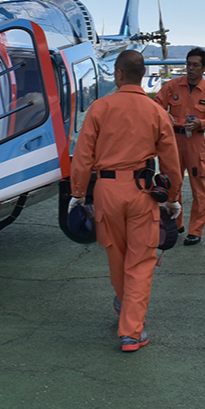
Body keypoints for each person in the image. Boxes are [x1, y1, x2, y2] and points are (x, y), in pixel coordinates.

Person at [70, 50, 182, 352]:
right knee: (141, 260)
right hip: (142, 192)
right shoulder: (155, 111)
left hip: (106, 192)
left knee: (116, 255)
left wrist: (78, 193)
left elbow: (82, 156)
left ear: (118, 74)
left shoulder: (99, 108)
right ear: (142, 75)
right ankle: (131, 331)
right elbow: (170, 161)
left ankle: (125, 305)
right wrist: (172, 198)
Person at [155, 47, 205, 245]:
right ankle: (176, 224)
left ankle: (196, 230)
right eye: (188, 64)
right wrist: (165, 116)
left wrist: (200, 123)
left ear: (204, 68)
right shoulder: (173, 86)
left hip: (195, 142)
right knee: (172, 185)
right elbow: (157, 104)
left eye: (195, 65)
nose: (191, 69)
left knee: (198, 188)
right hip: (173, 141)